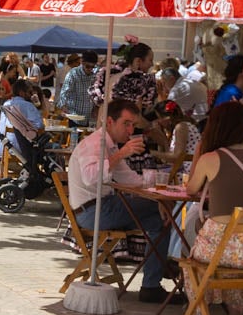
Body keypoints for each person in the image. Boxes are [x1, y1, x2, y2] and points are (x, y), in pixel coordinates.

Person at [66, 99, 174, 304]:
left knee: (159, 220)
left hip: (102, 209)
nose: (130, 129)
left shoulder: (110, 146)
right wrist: (123, 154)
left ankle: (152, 284)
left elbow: (130, 179)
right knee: (158, 209)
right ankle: (164, 268)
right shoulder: (95, 143)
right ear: (109, 122)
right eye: (126, 123)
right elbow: (91, 176)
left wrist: (158, 191)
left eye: (133, 124)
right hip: (92, 212)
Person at [181, 101, 243, 315]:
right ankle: (238, 310)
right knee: (231, 266)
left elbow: (191, 189)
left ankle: (200, 314)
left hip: (220, 250)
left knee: (191, 261)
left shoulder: (211, 158)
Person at [90, 40, 156, 111]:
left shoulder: (111, 77)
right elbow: (135, 117)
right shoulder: (137, 83)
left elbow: (101, 114)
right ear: (138, 61)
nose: (152, 64)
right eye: (150, 60)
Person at [57, 50, 98, 125]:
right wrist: (63, 106)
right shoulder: (73, 74)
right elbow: (64, 92)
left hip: (87, 117)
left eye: (92, 67)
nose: (90, 69)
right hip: (73, 117)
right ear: (82, 63)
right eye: (88, 66)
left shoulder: (94, 75)